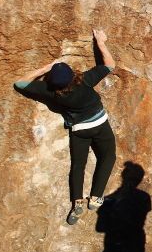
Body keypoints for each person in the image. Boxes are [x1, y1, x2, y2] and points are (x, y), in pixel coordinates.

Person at [13, 29, 116, 225]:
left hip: (79, 130)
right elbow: (110, 65)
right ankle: (95, 198)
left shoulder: (50, 92)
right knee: (108, 156)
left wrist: (45, 68)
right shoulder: (85, 80)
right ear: (72, 75)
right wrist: (101, 43)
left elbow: (20, 83)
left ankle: (77, 201)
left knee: (78, 166)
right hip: (100, 124)